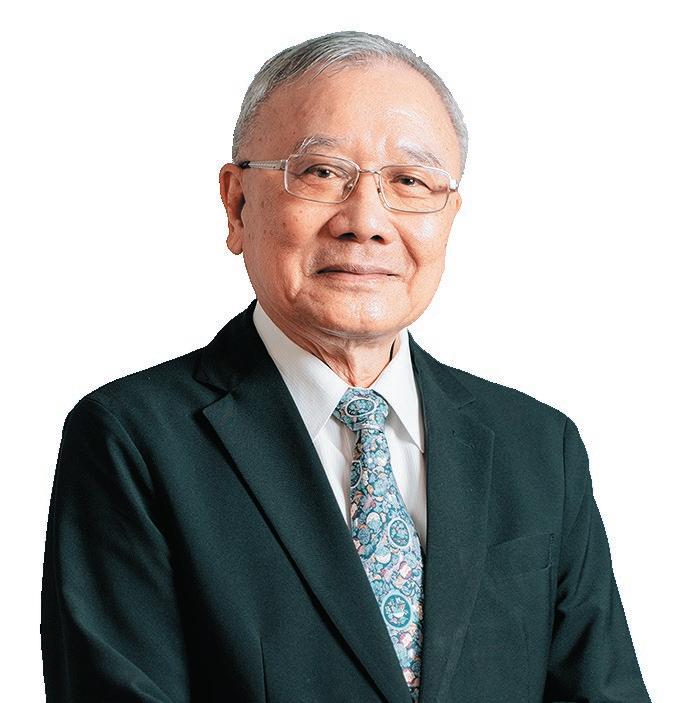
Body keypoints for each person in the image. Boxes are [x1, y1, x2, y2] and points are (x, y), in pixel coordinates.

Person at [41, 30, 651, 702]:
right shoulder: (133, 440)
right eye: (321, 172)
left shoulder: (538, 447)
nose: (366, 221)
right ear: (236, 204)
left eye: (409, 182)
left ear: (449, 216)